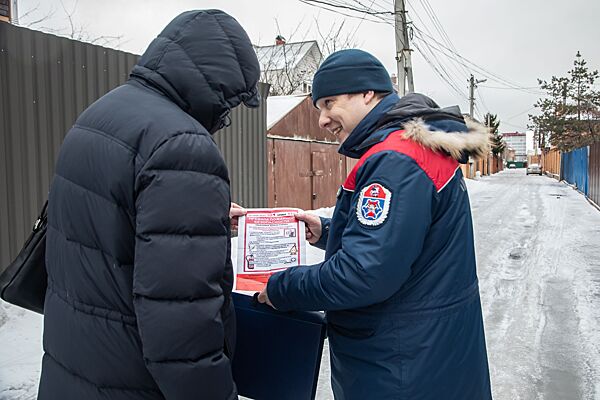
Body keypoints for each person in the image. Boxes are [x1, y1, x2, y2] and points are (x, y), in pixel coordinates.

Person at [38, 10, 259, 400]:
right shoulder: (182, 146)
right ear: (219, 82)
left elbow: (112, 225)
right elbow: (182, 321)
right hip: (135, 381)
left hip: (76, 362)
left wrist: (198, 217)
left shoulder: (101, 114)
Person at [257, 49, 492, 399]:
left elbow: (363, 274)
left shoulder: (395, 160)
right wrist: (328, 231)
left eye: (329, 103)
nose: (322, 119)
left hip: (401, 366)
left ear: (368, 93)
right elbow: (401, 241)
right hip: (425, 354)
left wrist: (282, 288)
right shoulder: (409, 149)